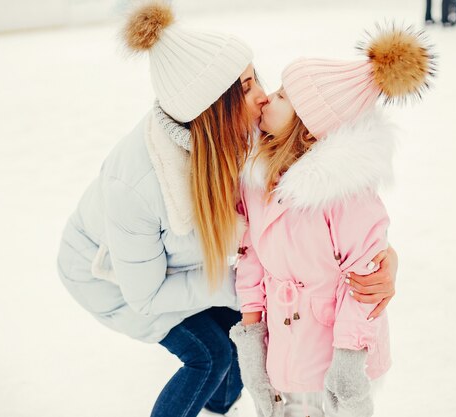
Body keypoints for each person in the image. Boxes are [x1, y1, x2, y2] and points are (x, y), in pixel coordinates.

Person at [56, 2, 399, 417]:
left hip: (193, 268)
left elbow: (327, 208)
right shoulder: (136, 187)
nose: (262, 96)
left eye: (259, 80)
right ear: (216, 107)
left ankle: (222, 405)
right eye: (248, 85)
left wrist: (383, 261)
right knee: (213, 354)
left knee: (241, 331)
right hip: (109, 275)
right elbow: (145, 294)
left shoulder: (250, 131)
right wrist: (250, 291)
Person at [229, 27, 434, 417]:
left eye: (283, 96)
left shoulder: (346, 196)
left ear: (306, 126)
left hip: (331, 365)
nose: (267, 97)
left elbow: (364, 279)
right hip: (282, 353)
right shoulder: (257, 176)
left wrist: (348, 364)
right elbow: (251, 254)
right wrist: (252, 337)